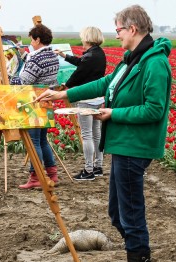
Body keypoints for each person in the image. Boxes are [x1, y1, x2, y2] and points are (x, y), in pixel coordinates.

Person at [36, 5, 171, 262]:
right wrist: (64, 94)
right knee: (117, 212)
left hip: (135, 145)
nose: (116, 35)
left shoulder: (154, 63)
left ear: (133, 29)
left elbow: (154, 109)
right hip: (122, 143)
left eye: (119, 29)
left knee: (131, 213)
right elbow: (104, 83)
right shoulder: (131, 60)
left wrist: (114, 114)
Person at [9, 24, 60, 188]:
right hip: (46, 101)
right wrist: (25, 56)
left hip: (34, 102)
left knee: (34, 141)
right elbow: (36, 69)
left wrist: (7, 77)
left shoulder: (37, 59)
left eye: (32, 39)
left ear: (38, 39)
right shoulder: (51, 55)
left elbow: (24, 81)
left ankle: (36, 176)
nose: (31, 43)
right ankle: (52, 174)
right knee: (43, 140)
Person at [55, 27, 107, 181]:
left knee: (86, 134)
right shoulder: (98, 53)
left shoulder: (90, 56)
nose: (82, 40)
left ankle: (88, 170)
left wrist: (66, 85)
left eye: (83, 38)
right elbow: (80, 62)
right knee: (96, 133)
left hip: (86, 99)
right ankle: (98, 167)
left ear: (88, 38)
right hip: (98, 98)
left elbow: (78, 73)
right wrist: (64, 55)